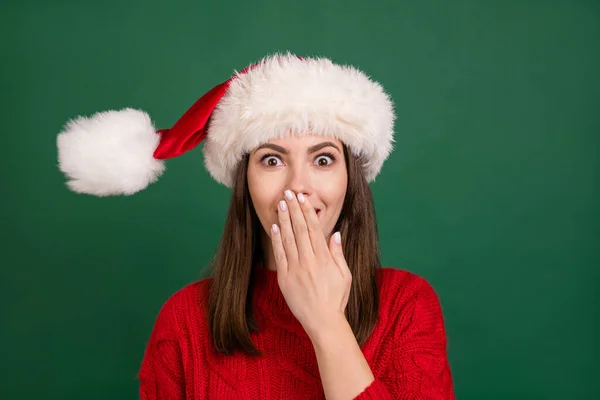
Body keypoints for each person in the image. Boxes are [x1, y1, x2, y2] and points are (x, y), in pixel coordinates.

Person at [56, 53, 455, 399]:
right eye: (272, 160)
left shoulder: (407, 306)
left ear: (351, 180)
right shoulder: (183, 322)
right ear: (244, 182)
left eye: (322, 160)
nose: (298, 186)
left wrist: (326, 323)